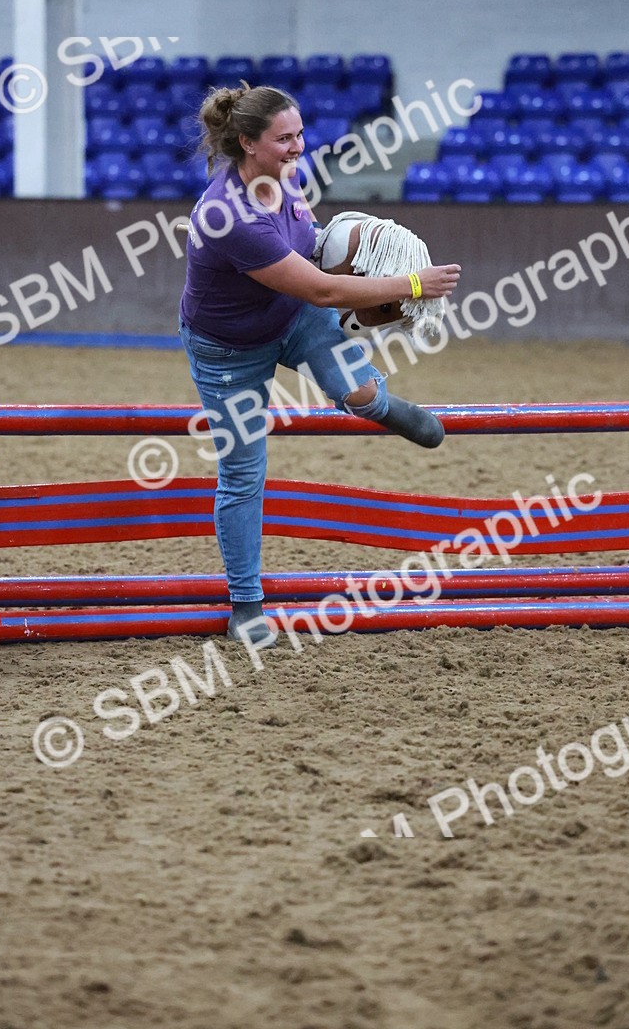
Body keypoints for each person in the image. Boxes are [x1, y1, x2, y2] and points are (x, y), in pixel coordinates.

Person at [178, 83, 461, 648]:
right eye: (284, 138)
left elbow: (313, 252)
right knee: (242, 474)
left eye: (300, 134)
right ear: (247, 143)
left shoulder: (289, 179)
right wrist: (409, 283)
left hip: (292, 317)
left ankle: (383, 405)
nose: (297, 147)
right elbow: (327, 291)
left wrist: (365, 261)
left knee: (356, 395)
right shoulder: (226, 214)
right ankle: (245, 604)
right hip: (227, 349)